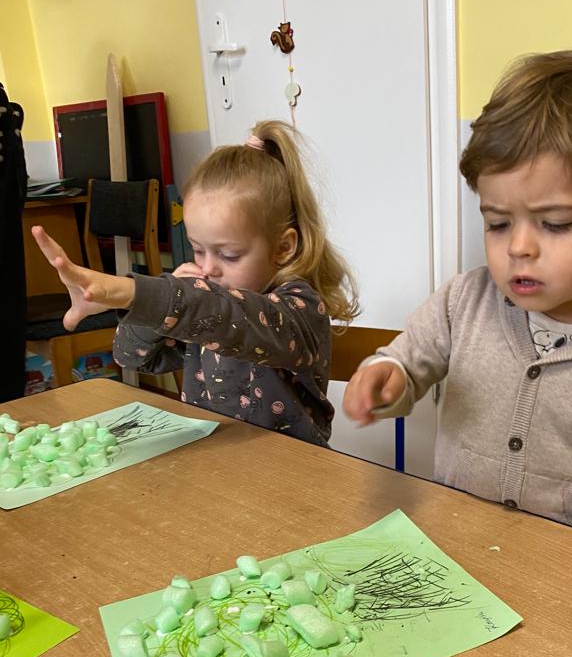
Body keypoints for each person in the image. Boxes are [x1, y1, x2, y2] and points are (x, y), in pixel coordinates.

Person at [344, 46, 572, 647]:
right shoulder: (464, 300)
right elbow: (408, 360)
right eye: (497, 222)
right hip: (453, 564)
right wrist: (388, 375)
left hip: (571, 591)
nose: (518, 248)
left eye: (556, 224)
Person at [33, 121, 358, 446]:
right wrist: (153, 309)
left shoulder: (300, 307)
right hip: (218, 460)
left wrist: (142, 294)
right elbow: (132, 357)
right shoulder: (200, 305)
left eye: (229, 255)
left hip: (294, 466)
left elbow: (233, 317)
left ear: (283, 247)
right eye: (198, 250)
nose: (208, 268)